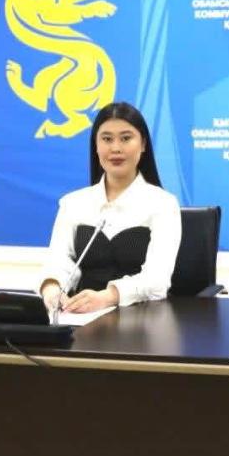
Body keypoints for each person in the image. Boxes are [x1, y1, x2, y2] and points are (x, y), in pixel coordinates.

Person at [39, 102, 181, 314]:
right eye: (106, 139)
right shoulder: (73, 203)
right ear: (96, 146)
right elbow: (58, 261)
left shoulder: (163, 204)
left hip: (142, 320)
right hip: (81, 317)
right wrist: (52, 289)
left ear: (143, 144)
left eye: (126, 138)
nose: (115, 148)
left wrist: (108, 297)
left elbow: (157, 280)